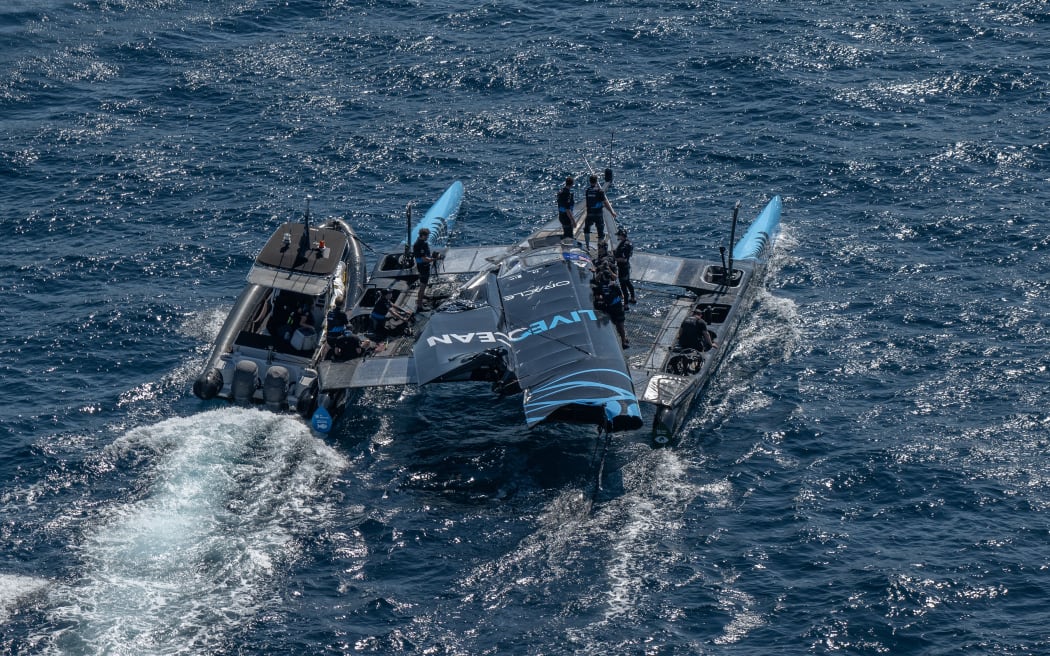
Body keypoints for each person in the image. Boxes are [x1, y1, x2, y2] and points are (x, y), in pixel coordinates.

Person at [583, 174, 616, 251]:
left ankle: (587, 246)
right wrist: (612, 212)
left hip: (589, 214)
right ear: (597, 181)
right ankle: (600, 249)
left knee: (586, 229)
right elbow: (605, 203)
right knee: (600, 232)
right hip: (598, 215)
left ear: (590, 181)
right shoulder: (600, 191)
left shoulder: (588, 191)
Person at [600, 273, 629, 349]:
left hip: (618, 308)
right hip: (610, 309)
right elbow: (602, 296)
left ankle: (623, 341)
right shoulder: (603, 287)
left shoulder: (614, 286)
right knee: (616, 324)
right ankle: (622, 337)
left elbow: (621, 296)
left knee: (620, 325)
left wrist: (612, 302)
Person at [413, 227, 439, 311]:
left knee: (423, 285)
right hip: (423, 268)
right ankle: (419, 306)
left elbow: (426, 255)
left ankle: (420, 298)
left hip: (424, 267)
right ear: (423, 235)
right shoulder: (419, 245)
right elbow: (423, 258)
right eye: (427, 236)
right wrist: (434, 259)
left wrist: (432, 255)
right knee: (423, 286)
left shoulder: (423, 243)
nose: (428, 237)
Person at [614, 227, 637, 305]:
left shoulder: (624, 246)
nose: (617, 237)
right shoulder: (628, 243)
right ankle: (633, 298)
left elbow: (624, 259)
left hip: (623, 268)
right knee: (627, 282)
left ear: (621, 235)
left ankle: (626, 304)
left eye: (618, 235)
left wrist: (615, 259)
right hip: (626, 267)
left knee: (623, 285)